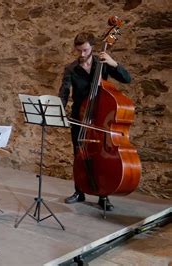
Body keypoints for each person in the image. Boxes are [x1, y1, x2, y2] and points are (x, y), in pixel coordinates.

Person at [58, 32, 131, 211]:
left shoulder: (102, 64)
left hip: (99, 117)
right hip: (80, 117)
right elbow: (64, 92)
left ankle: (103, 195)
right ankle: (79, 191)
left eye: (85, 50)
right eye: (79, 50)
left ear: (92, 47)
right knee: (79, 154)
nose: (82, 54)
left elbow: (126, 79)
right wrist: (58, 109)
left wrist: (113, 63)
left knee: (101, 156)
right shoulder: (71, 68)